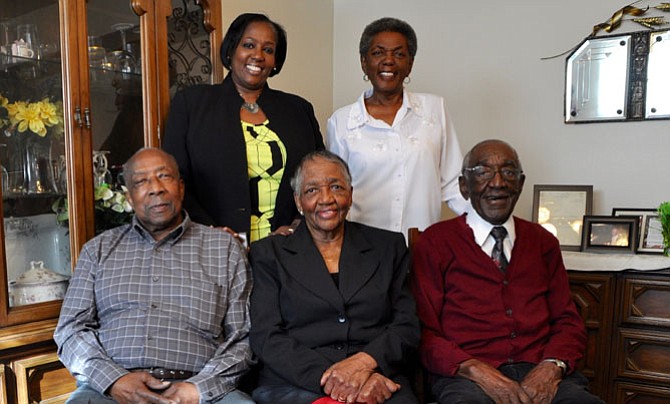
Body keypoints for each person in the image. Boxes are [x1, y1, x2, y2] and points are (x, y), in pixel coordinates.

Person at [54, 148, 254, 404]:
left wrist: (198, 389)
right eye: (141, 181)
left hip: (199, 387)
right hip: (110, 389)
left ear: (181, 187)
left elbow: (244, 336)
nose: (155, 188)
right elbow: (70, 330)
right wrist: (113, 381)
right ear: (128, 197)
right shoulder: (98, 250)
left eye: (164, 176)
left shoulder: (223, 248)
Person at [411, 140, 604, 404]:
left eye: (509, 172)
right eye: (483, 172)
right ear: (464, 186)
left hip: (540, 370)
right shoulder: (435, 242)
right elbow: (423, 331)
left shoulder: (543, 241)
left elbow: (567, 321)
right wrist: (476, 370)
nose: (498, 182)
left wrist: (551, 368)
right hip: (467, 376)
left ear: (521, 184)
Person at [248, 150, 420, 404]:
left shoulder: (388, 246)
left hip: (377, 376)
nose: (326, 199)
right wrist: (337, 380)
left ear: (350, 194)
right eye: (312, 190)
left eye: (336, 187)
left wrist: (364, 366)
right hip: (296, 382)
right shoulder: (269, 254)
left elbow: (406, 326)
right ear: (298, 201)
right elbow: (266, 336)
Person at [163, 13, 324, 243]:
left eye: (268, 50)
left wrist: (297, 225)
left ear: (275, 60)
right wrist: (210, 231)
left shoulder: (299, 109)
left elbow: (319, 177)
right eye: (248, 45)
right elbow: (174, 180)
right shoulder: (191, 104)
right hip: (212, 248)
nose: (257, 55)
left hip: (287, 251)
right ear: (231, 50)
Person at [326, 17, 467, 240]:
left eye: (399, 54)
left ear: (410, 63)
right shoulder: (341, 121)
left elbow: (454, 184)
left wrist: (484, 230)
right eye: (378, 53)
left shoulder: (434, 109)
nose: (388, 61)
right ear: (364, 62)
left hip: (422, 245)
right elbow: (335, 191)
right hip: (363, 249)